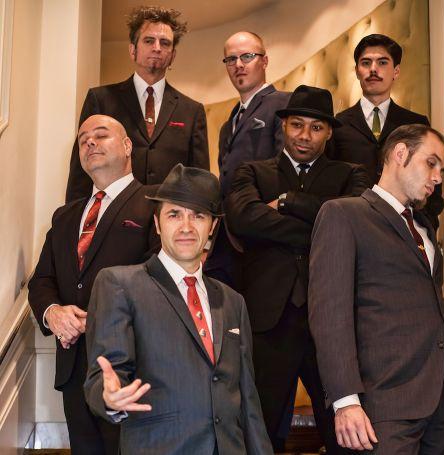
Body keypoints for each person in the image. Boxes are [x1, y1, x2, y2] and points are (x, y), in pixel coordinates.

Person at [309, 124, 444, 454]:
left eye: (441, 170)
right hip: (386, 401)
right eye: (431, 163)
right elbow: (330, 316)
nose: (437, 178)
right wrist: (345, 400)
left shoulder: (424, 226)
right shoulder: (344, 214)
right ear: (400, 153)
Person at [84, 164, 273, 455]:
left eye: (198, 215)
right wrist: (109, 397)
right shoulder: (120, 284)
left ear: (212, 227)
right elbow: (105, 374)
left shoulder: (233, 301)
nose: (186, 227)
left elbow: (249, 401)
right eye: (174, 214)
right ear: (158, 224)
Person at [225, 85, 370, 453]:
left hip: (333, 322)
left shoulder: (351, 176)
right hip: (268, 321)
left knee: (345, 435)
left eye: (316, 127)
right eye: (297, 125)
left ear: (329, 132)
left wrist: (287, 202)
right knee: (262, 433)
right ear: (283, 126)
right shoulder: (251, 172)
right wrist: (324, 226)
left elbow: (357, 224)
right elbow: (243, 219)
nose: (305, 135)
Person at [28, 115, 160, 454]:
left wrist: (102, 317)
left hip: (133, 367)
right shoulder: (65, 216)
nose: (90, 142)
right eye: (83, 138)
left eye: (101, 135)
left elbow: (160, 278)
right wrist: (53, 313)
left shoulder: (155, 204)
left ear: (127, 146)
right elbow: (42, 280)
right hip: (74, 369)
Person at [65, 6, 209, 202]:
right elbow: (81, 169)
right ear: (133, 50)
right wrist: (74, 217)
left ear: (173, 55)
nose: (157, 47)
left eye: (165, 43)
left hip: (168, 214)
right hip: (113, 213)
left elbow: (199, 180)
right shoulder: (101, 99)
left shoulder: (192, 111)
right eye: (149, 40)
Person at [329, 34, 444, 229]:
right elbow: (331, 182)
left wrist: (424, 225)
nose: (373, 69)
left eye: (382, 62)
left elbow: (431, 182)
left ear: (396, 71)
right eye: (366, 63)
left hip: (405, 227)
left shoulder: (416, 123)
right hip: (354, 226)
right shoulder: (338, 124)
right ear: (357, 71)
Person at [204, 31, 289, 287]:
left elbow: (286, 168)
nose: (238, 65)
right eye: (231, 59)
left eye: (247, 56)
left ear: (264, 61)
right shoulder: (227, 124)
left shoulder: (283, 104)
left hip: (263, 238)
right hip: (227, 238)